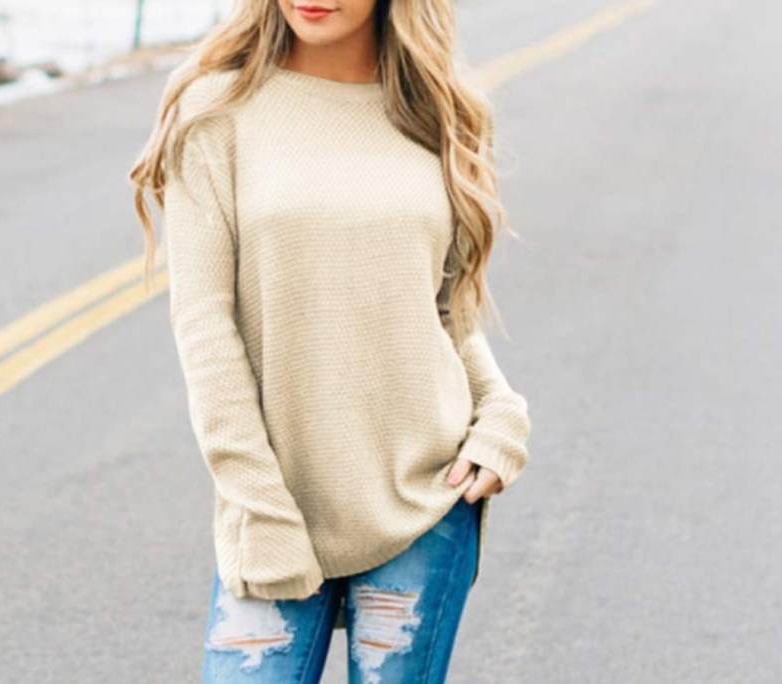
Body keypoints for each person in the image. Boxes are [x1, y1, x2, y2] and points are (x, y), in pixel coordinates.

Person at [129, 1, 531, 681]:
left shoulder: (444, 115)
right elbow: (205, 329)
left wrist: (500, 412)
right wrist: (259, 505)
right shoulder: (216, 111)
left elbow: (443, 311)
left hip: (424, 500)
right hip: (272, 511)